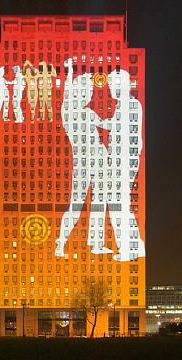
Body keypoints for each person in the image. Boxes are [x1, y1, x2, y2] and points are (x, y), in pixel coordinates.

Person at [56, 59, 111, 256]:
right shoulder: (68, 112)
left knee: (98, 203)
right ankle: (60, 244)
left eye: (89, 91)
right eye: (85, 91)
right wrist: (70, 71)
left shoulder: (88, 112)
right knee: (76, 205)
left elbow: (106, 124)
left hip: (99, 164)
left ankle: (96, 244)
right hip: (84, 165)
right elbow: (66, 93)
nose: (89, 94)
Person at [99, 70, 145, 261]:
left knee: (118, 206)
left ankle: (129, 249)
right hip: (122, 160)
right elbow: (117, 125)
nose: (110, 88)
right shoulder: (125, 105)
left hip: (124, 161)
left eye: (113, 85)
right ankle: (135, 247)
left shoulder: (130, 104)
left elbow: (123, 129)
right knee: (120, 205)